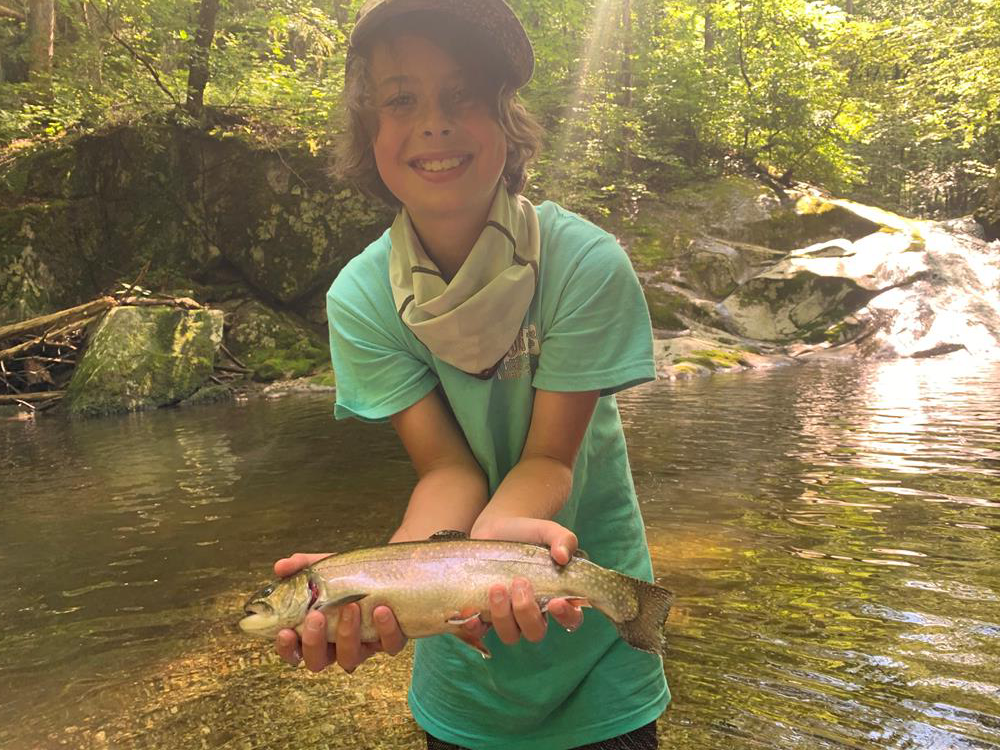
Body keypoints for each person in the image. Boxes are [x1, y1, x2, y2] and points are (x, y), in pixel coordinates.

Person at [273, 0, 670, 747]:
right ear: (369, 132)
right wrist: (381, 586)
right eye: (401, 100)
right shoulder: (360, 299)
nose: (434, 122)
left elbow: (549, 458)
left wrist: (500, 554)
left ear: (506, 120)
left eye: (462, 96)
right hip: (461, 681)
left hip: (598, 647)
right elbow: (445, 472)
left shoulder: (584, 264)